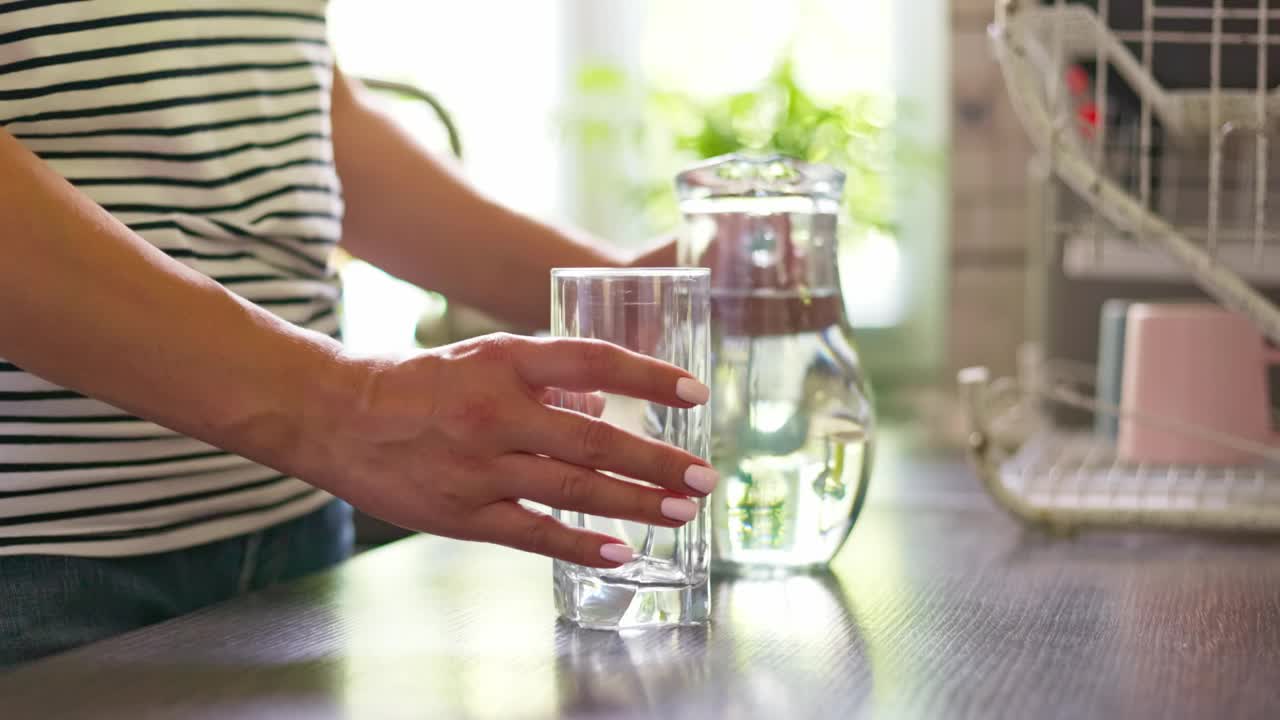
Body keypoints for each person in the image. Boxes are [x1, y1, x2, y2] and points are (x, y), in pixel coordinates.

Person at [0, 2, 718, 666]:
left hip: (295, 538)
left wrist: (623, 292)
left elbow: (285, 95)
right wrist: (348, 405)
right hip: (35, 561)